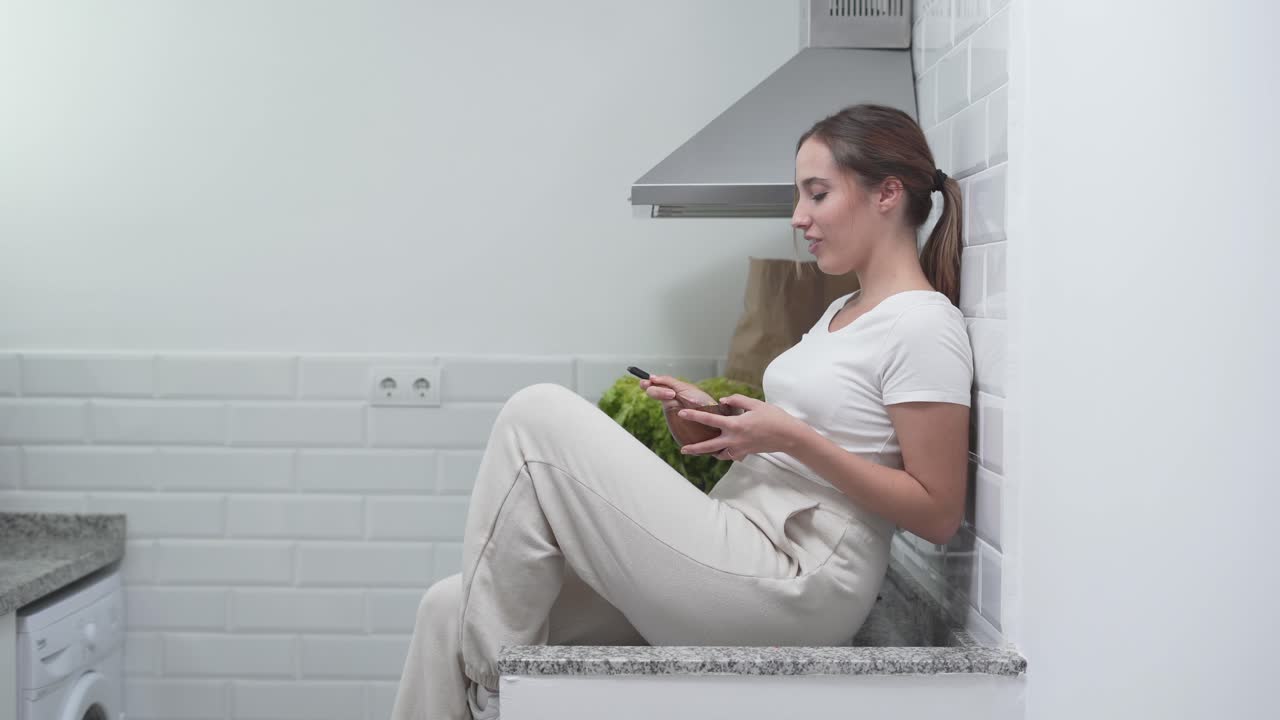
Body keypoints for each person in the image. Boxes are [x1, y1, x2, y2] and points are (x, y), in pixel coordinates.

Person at [390, 103, 973, 720]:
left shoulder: (922, 324)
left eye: (817, 193)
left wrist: (792, 438)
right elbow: (805, 444)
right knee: (448, 607)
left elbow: (938, 512)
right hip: (738, 539)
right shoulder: (842, 311)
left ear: (887, 194)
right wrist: (717, 423)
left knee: (535, 415)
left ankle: (495, 694)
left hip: (798, 579)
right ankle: (497, 680)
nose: (798, 215)